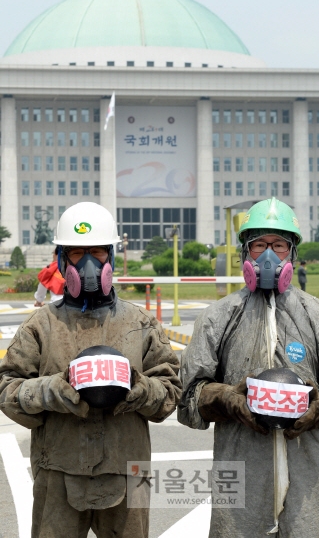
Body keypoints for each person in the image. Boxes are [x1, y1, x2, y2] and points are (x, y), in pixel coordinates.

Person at [178, 197, 319, 538]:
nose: (269, 255)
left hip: (308, 479)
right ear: (245, 253)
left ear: (293, 253)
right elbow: (189, 398)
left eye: (279, 245)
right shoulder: (218, 317)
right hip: (241, 477)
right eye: (259, 245)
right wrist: (228, 399)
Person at [0, 201, 181, 538]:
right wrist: (53, 389)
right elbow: (7, 388)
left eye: (97, 252)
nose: (87, 264)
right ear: (60, 260)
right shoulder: (41, 325)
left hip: (129, 470)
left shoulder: (140, 323)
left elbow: (171, 392)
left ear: (110, 257)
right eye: (76, 253)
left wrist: (136, 387)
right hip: (57, 470)